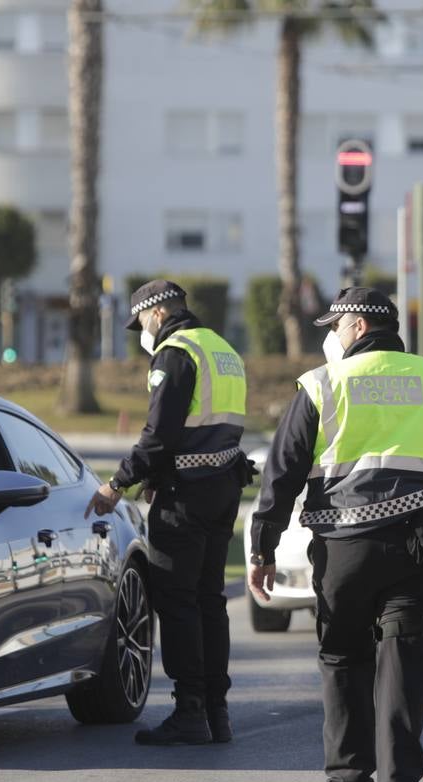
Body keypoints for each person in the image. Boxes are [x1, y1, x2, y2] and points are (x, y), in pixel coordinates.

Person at [248, 286, 423, 782]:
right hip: (416, 547)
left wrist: (262, 546)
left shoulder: (322, 385)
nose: (331, 336)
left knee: (343, 658)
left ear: (359, 327)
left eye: (334, 326)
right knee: (404, 659)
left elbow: (283, 472)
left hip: (344, 547)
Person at [86, 279, 250, 746]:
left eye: (139, 322)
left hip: (186, 497)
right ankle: (217, 712)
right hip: (223, 488)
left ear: (157, 313)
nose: (140, 333)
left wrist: (118, 483)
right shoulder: (222, 349)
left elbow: (159, 434)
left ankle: (190, 710)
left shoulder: (176, 352)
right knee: (209, 600)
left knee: (177, 602)